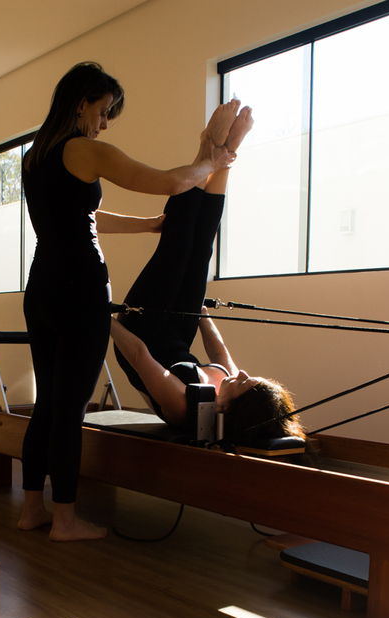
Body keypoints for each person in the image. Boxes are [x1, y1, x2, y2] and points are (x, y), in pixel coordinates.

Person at [19, 62, 237, 541]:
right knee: (71, 408)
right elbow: (166, 180)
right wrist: (211, 164)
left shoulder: (36, 156)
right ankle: (65, 521)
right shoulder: (86, 149)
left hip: (41, 287)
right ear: (82, 102)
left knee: (47, 405)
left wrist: (146, 225)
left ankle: (31, 508)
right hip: (80, 287)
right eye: (103, 111)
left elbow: (83, 215)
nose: (104, 122)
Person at [109, 105, 305, 446]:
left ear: (230, 409)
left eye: (245, 383)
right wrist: (198, 303)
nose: (241, 373)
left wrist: (105, 317)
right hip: (178, 329)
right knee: (201, 251)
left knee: (177, 246)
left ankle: (208, 153)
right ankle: (227, 154)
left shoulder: (185, 407)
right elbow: (217, 348)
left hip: (142, 331)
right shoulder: (227, 381)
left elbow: (140, 357)